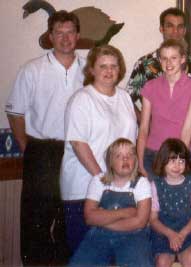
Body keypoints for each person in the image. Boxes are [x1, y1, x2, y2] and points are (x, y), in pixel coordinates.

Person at [5, 10, 84, 265]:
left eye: (70, 32)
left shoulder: (89, 69)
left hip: (76, 152)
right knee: (36, 222)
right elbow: (15, 113)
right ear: (50, 37)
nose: (65, 38)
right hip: (42, 150)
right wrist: (29, 148)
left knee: (68, 217)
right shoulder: (32, 70)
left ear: (78, 35)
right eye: (59, 33)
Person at [60, 45, 138, 252]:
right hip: (84, 188)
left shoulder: (124, 97)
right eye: (103, 66)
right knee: (86, 254)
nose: (109, 71)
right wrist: (104, 181)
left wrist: (123, 183)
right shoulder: (81, 99)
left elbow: (132, 142)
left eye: (114, 66)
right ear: (91, 70)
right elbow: (79, 144)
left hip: (120, 188)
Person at [69, 138, 152, 267]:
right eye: (119, 156)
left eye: (130, 155)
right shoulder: (98, 181)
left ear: (135, 160)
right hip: (99, 236)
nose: (125, 159)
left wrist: (104, 220)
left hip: (133, 236)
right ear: (110, 161)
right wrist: (126, 212)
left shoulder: (142, 183)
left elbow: (140, 222)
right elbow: (90, 218)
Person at [137, 39, 191, 179]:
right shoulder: (150, 87)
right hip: (153, 155)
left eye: (174, 58)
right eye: (164, 58)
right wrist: (140, 161)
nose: (169, 63)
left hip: (181, 155)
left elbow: (187, 128)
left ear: (182, 59)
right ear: (159, 60)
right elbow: (143, 128)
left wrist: (180, 161)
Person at [127, 7, 191, 116]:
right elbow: (126, 99)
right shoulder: (144, 64)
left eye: (180, 27)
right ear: (161, 28)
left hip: (189, 130)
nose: (175, 31)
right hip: (156, 130)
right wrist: (144, 122)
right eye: (170, 26)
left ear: (184, 30)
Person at [150, 138, 191, 267]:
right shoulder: (156, 184)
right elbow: (153, 219)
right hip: (164, 234)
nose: (177, 166)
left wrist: (182, 234)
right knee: (162, 262)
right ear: (163, 161)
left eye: (181, 161)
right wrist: (170, 234)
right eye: (173, 161)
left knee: (189, 260)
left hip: (187, 232)